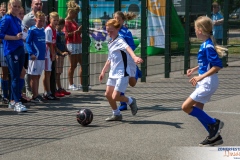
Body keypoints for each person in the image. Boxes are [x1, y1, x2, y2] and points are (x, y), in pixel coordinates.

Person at [181, 16, 228, 146]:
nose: (194, 31)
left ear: (200, 30)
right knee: (197, 109)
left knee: (186, 107)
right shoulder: (205, 44)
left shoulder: (208, 46)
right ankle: (214, 136)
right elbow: (206, 63)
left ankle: (214, 123)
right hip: (205, 81)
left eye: (195, 29)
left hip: (207, 82)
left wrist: (200, 77)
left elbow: (217, 65)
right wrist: (194, 69)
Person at [99, 19, 143, 121]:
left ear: (118, 29)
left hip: (122, 73)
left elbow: (128, 48)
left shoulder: (120, 40)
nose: (109, 33)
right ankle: (116, 114)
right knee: (108, 94)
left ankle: (131, 101)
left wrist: (135, 57)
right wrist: (103, 71)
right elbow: (109, 59)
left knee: (115, 96)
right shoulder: (110, 42)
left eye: (111, 31)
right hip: (113, 73)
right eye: (107, 31)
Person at [0, 0, 27, 112]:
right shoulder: (6, 18)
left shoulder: (17, 19)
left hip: (20, 48)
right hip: (11, 50)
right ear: (10, 6)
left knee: (19, 74)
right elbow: (0, 34)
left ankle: (12, 101)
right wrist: (14, 37)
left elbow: (19, 34)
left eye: (18, 6)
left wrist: (22, 35)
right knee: (15, 76)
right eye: (14, 6)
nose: (16, 8)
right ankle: (17, 101)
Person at [113, 11, 142, 111]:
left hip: (128, 59)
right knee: (119, 80)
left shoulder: (126, 32)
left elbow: (132, 46)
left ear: (123, 20)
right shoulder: (113, 31)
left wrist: (127, 52)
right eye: (115, 19)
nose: (116, 21)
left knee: (132, 83)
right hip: (119, 62)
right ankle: (123, 103)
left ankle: (136, 71)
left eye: (119, 19)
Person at [22, 0, 43, 98]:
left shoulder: (42, 16)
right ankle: (29, 91)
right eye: (36, 4)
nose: (39, 6)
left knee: (36, 74)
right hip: (29, 51)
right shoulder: (27, 18)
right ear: (31, 5)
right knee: (28, 72)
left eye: (40, 4)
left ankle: (35, 93)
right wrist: (31, 52)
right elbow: (25, 36)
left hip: (40, 53)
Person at [26, 11, 46, 103]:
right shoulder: (32, 30)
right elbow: (28, 42)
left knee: (37, 76)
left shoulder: (42, 30)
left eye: (43, 21)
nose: (41, 23)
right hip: (35, 57)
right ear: (35, 20)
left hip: (41, 57)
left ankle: (36, 94)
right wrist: (31, 53)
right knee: (34, 76)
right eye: (39, 21)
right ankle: (34, 95)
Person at [63, 0, 83, 91]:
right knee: (73, 65)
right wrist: (77, 31)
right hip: (71, 44)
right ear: (70, 12)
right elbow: (66, 35)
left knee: (83, 64)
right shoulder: (66, 22)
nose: (76, 15)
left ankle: (82, 83)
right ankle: (71, 84)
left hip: (78, 43)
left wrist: (79, 31)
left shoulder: (73, 21)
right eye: (75, 13)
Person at [42, 11, 59, 100]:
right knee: (47, 73)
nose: (56, 22)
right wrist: (52, 53)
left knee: (49, 72)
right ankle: (47, 92)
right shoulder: (48, 29)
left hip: (51, 52)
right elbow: (49, 43)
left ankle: (49, 92)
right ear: (50, 19)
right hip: (47, 53)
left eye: (57, 20)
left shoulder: (54, 29)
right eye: (54, 20)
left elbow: (54, 43)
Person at [17, 6, 31, 103]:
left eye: (23, 14)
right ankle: (18, 94)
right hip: (17, 51)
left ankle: (22, 93)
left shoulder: (24, 26)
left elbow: (27, 37)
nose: (21, 16)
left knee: (24, 72)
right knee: (19, 72)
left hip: (25, 51)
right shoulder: (15, 24)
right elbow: (23, 37)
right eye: (20, 14)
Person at [55, 18, 71, 96]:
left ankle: (60, 88)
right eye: (58, 25)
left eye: (61, 25)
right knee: (57, 72)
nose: (60, 27)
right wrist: (61, 52)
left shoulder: (62, 34)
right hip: (58, 55)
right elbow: (55, 45)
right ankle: (57, 89)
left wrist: (67, 50)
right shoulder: (56, 33)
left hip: (62, 55)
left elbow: (63, 44)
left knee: (59, 72)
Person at [0, 2, 9, 104]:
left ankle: (4, 94)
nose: (3, 11)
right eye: (1, 10)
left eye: (4, 10)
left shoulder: (7, 20)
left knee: (5, 72)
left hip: (4, 48)